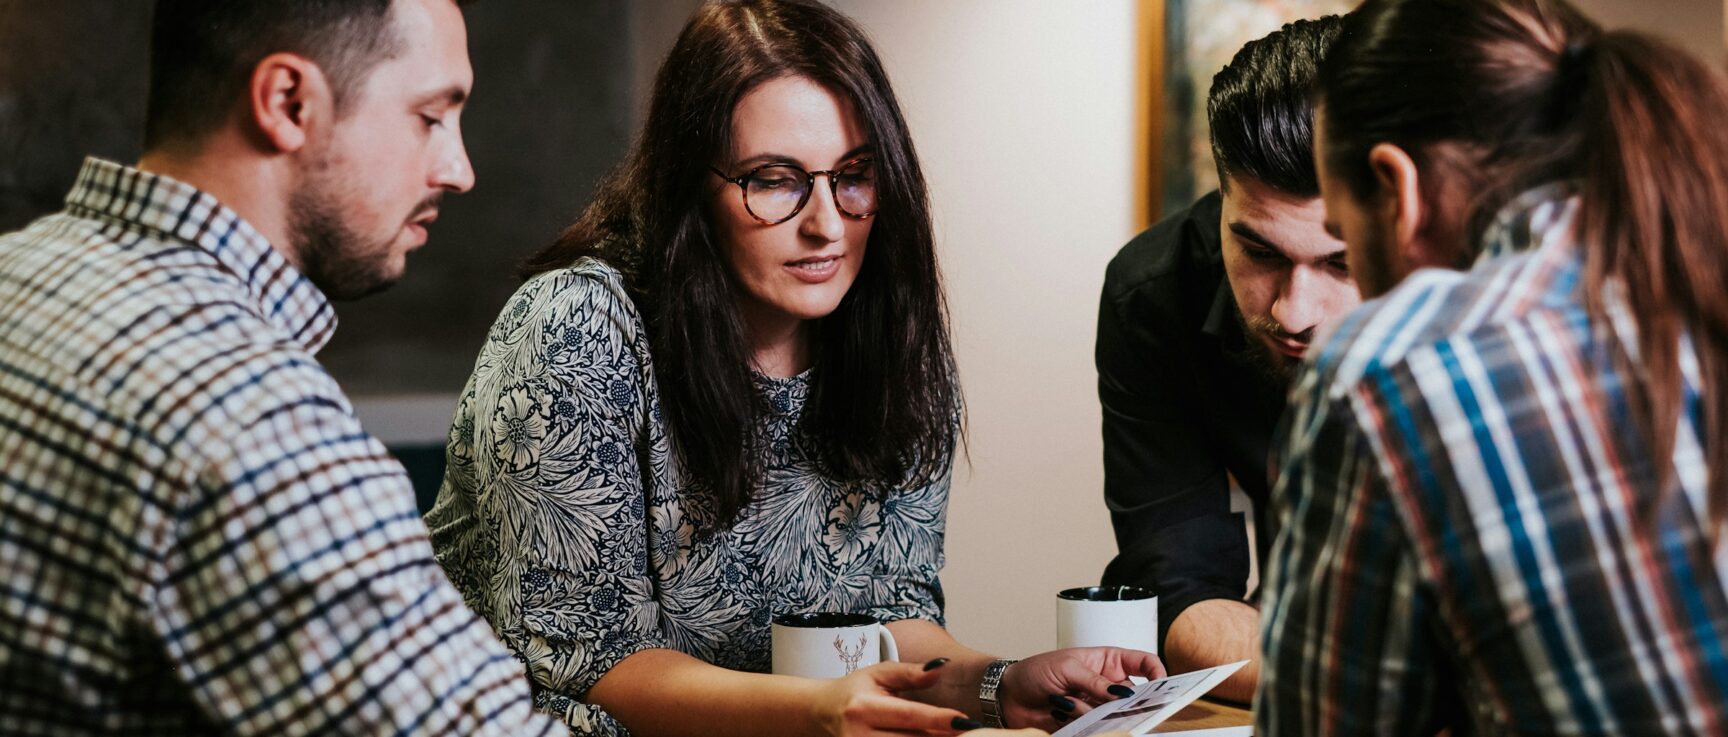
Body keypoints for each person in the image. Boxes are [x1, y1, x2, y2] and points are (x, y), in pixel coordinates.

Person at [425, 0, 1164, 734]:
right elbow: (594, 667)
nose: (827, 223)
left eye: (853, 174)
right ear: (689, 188)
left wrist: (995, 683)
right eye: (774, 179)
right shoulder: (577, 329)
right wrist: (816, 711)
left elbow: (885, 620)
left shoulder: (888, 337)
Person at [0, 0, 589, 734]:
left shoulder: (16, 272)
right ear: (288, 102)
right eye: (430, 116)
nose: (459, 169)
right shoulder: (256, 422)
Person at [1258, 0, 1728, 733]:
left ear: (1398, 191)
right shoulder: (1692, 275)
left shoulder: (1394, 369)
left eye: (1347, 248)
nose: (1299, 314)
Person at [1095, 16, 1352, 702]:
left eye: (1343, 261)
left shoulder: (1491, 288)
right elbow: (1179, 592)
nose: (1295, 312)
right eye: (1261, 252)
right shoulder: (1152, 295)